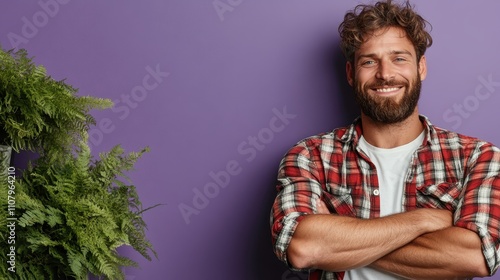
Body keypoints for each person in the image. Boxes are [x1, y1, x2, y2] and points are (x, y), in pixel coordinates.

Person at [270, 1, 500, 279]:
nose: (385, 74)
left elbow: (475, 257)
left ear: (421, 67)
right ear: (351, 74)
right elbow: (303, 248)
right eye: (369, 61)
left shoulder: (478, 157)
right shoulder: (310, 156)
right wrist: (425, 219)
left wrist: (338, 235)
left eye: (399, 58)